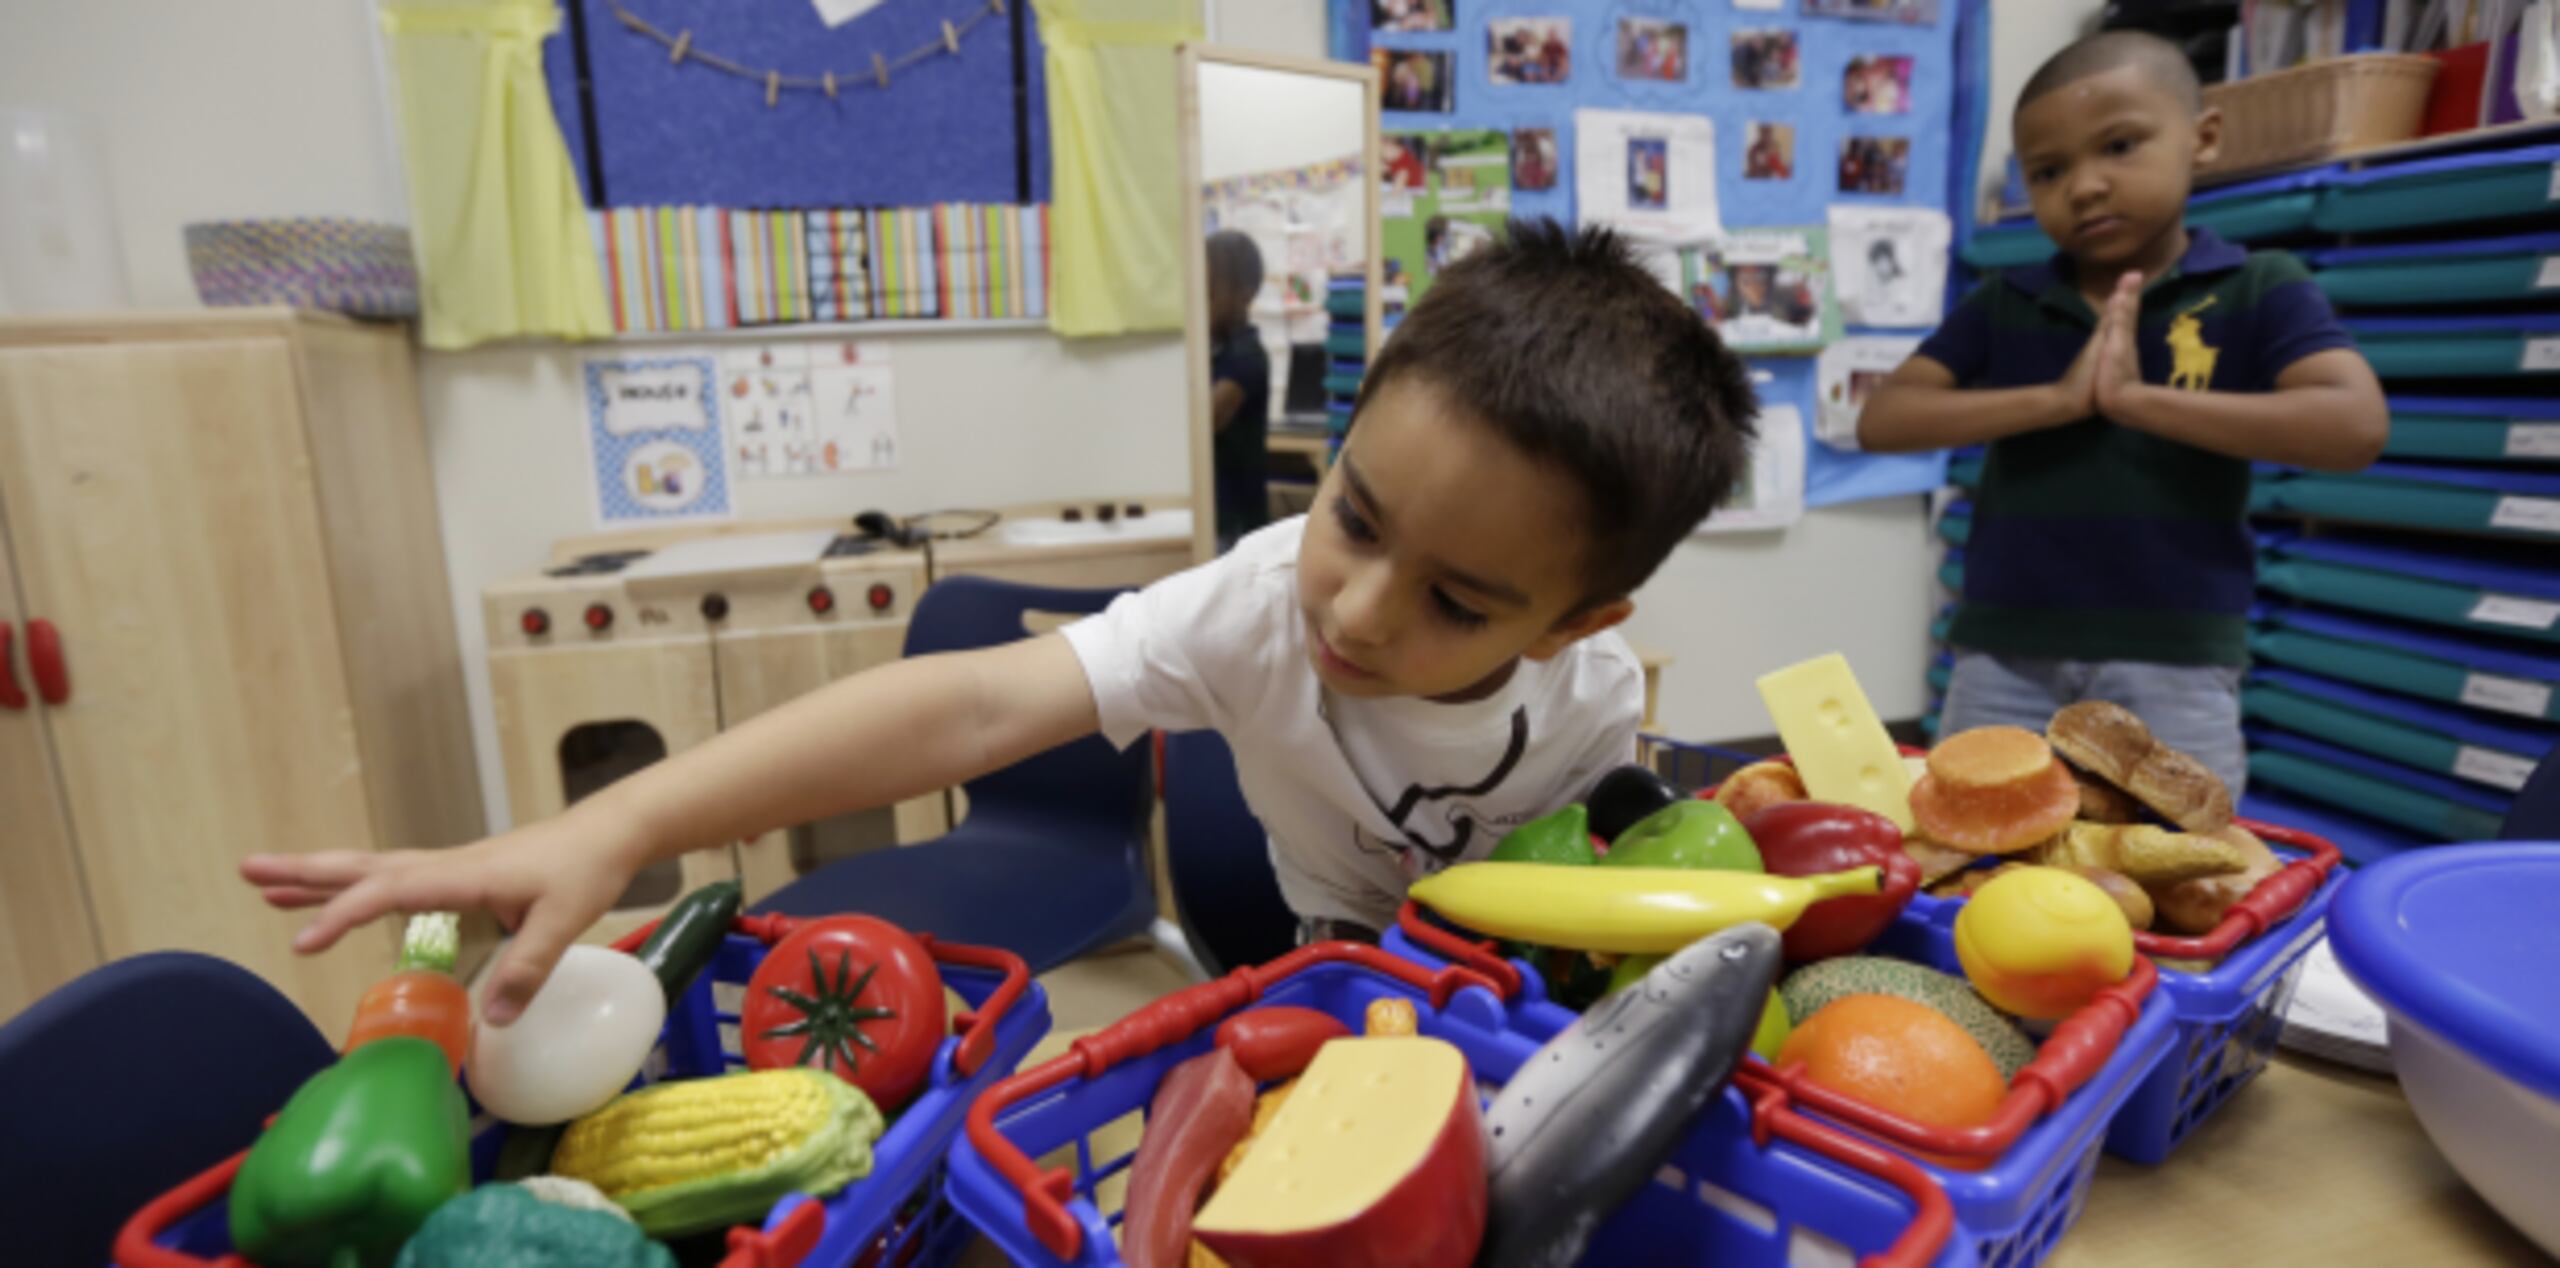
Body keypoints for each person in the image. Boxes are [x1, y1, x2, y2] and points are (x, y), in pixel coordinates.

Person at [242, 221, 1760, 1024]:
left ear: (1576, 621)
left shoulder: (1592, 695)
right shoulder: (1247, 605)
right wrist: (616, 822)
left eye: (1457, 600)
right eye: (1354, 517)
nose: (1354, 609)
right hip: (1345, 963)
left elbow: (1630, 864)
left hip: (1548, 979)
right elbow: (965, 710)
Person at [1858, 31, 2386, 794]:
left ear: (2202, 139)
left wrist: (2140, 403)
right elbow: (1886, 419)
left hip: (2177, 658)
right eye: (2049, 170)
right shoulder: (2008, 300)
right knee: (1977, 850)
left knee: (2185, 867)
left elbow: (2354, 425)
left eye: (2120, 145)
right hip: (2005, 652)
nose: (2086, 185)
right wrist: (2056, 402)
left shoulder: (2256, 286)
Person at [1205, 230, 1271, 548]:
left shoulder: (1246, 355)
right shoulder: (1217, 348)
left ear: (1243, 293)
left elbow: (1206, 420)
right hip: (1218, 515)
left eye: (1210, 291)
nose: (1201, 302)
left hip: (1236, 525)